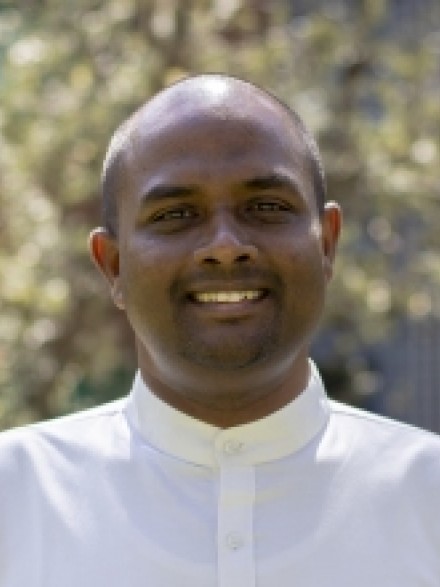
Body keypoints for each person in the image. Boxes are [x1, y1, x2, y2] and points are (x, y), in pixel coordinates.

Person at [0, 74, 439, 587]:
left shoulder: (428, 496)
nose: (226, 245)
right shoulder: (15, 497)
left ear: (327, 246)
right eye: (176, 214)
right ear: (113, 266)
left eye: (267, 207)